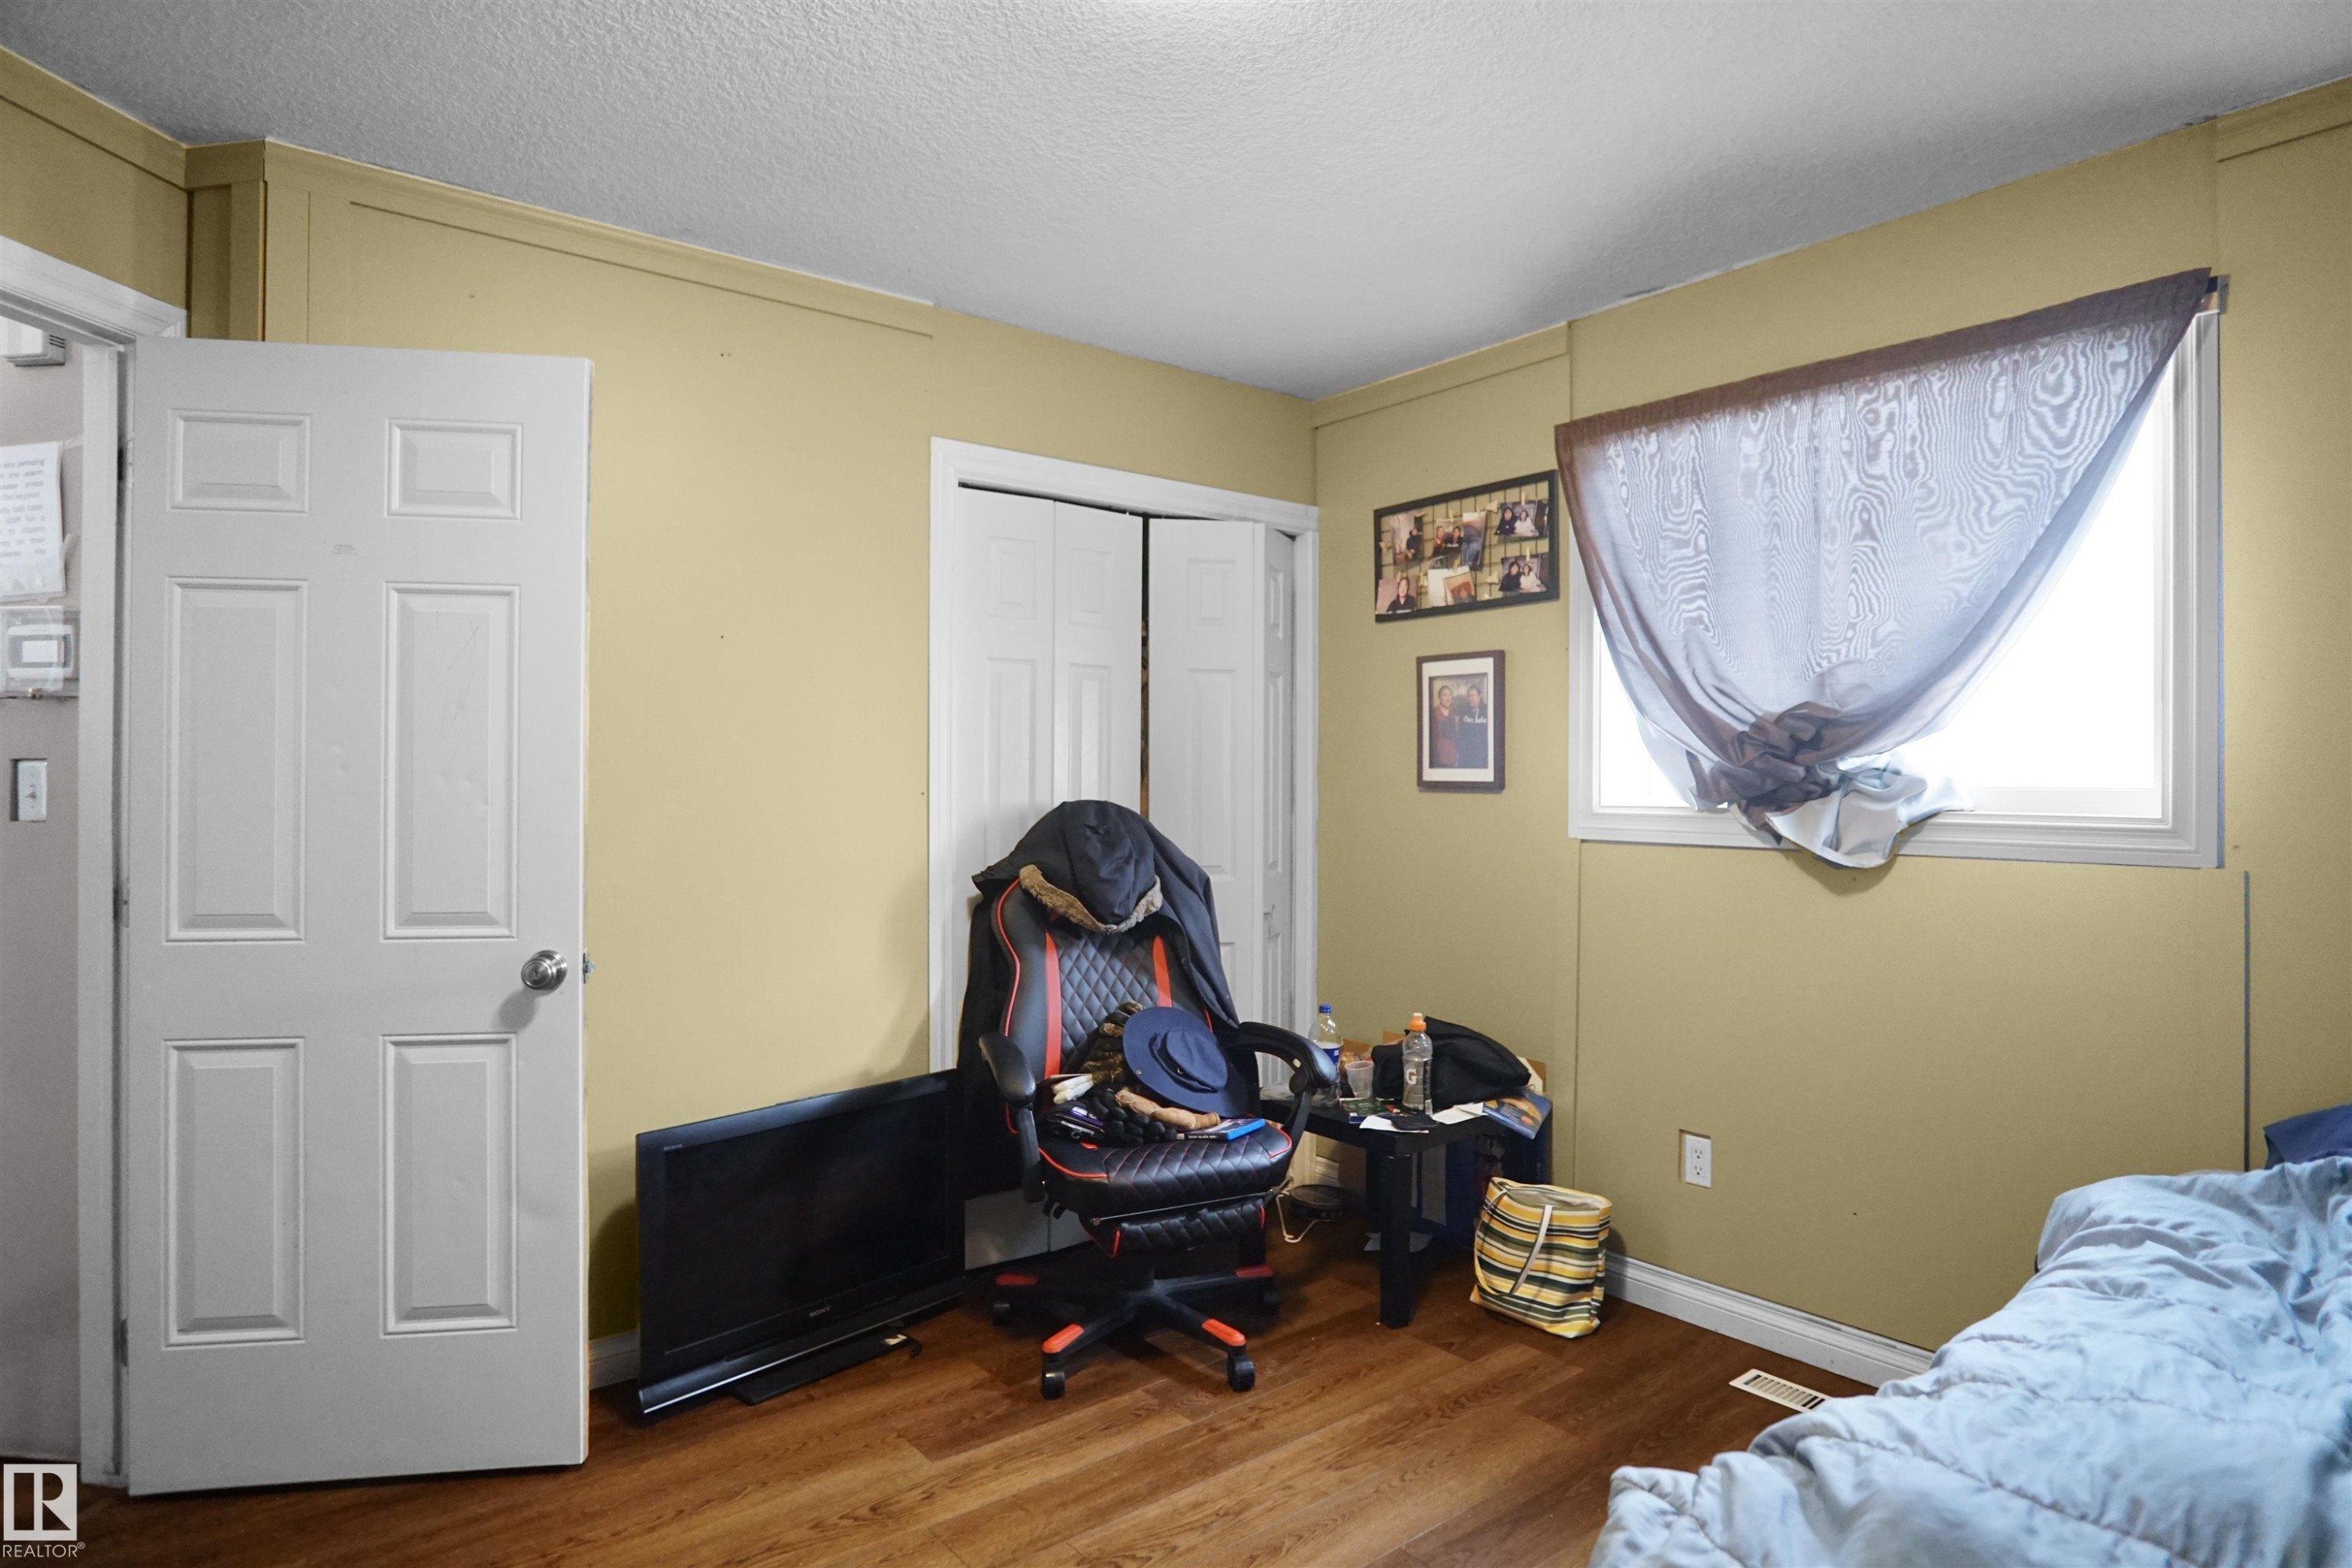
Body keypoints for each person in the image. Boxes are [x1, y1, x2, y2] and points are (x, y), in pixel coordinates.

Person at [1456, 681, 1490, 769]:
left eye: (1473, 695)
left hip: (1482, 756)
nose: (1471, 698)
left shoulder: (1487, 710)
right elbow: (1460, 733)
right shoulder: (1463, 710)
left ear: (1479, 697)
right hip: (1466, 755)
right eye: (1469, 696)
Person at [1430, 683, 1459, 768]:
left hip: (1452, 759)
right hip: (1438, 759)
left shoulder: (1454, 713)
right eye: (1445, 695)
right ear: (1439, 697)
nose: (1448, 698)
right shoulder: (1434, 713)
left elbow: (1455, 735)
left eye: (1450, 695)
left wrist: (1457, 754)